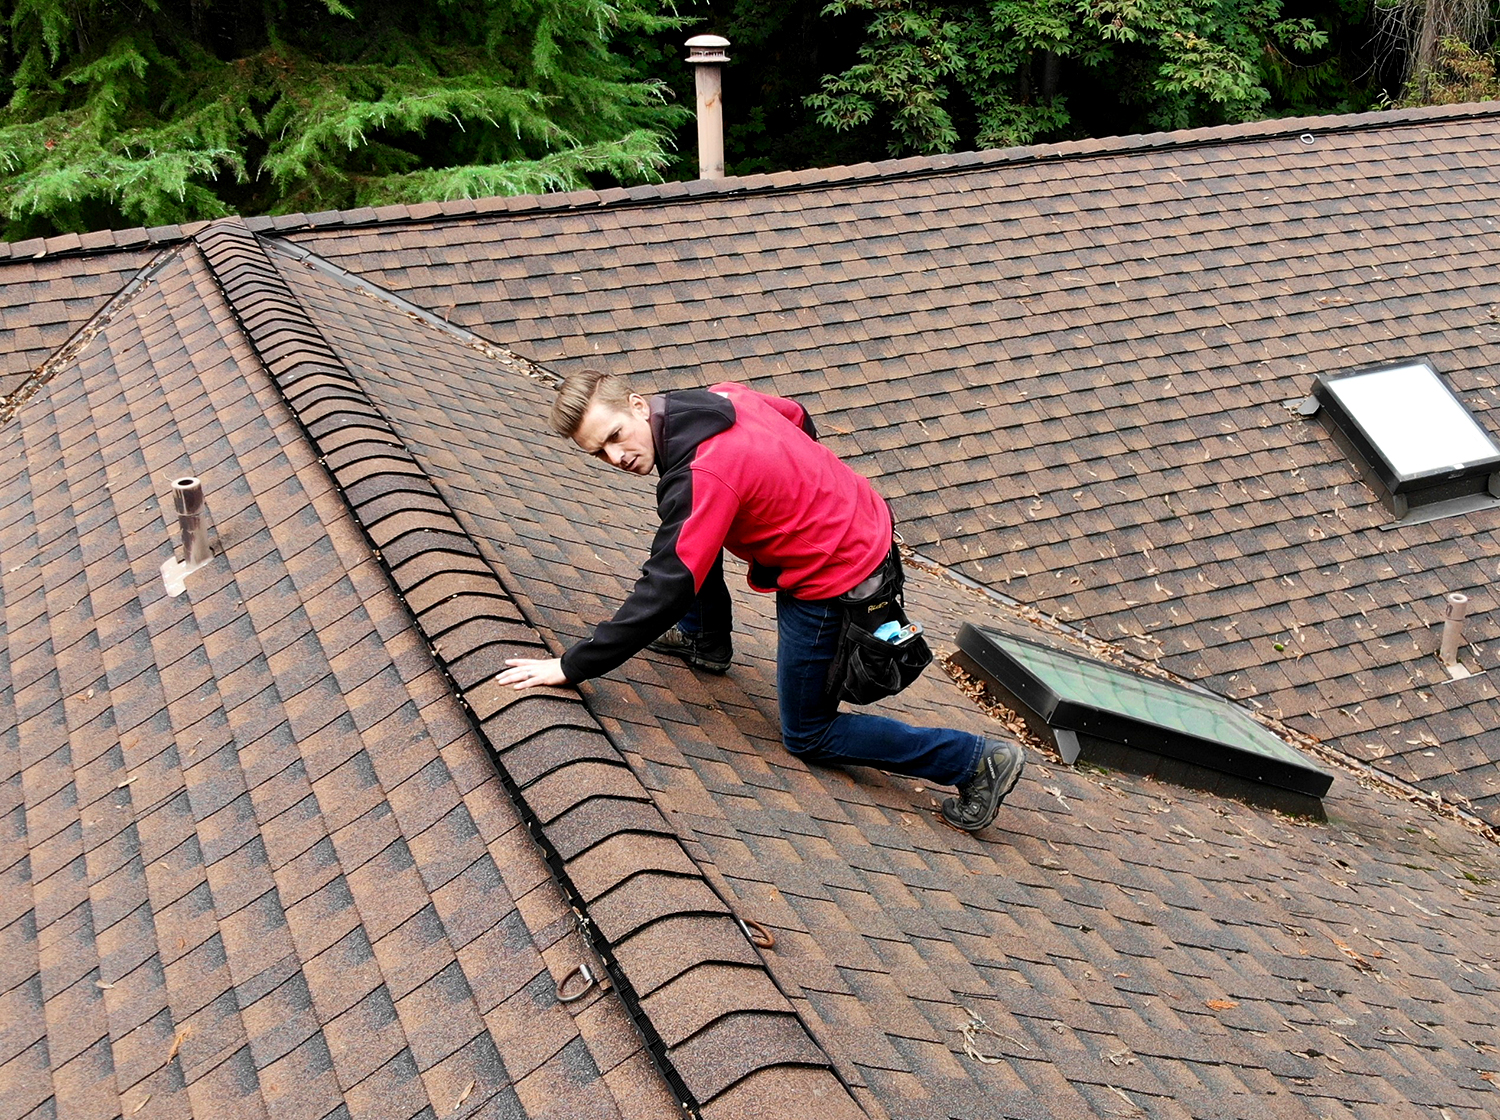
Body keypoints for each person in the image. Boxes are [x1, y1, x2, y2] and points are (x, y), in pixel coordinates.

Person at [496, 370, 1025, 831]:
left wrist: (572, 665)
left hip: (836, 575)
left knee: (809, 733)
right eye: (600, 453)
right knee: (688, 538)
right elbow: (796, 416)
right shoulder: (721, 397)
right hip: (863, 517)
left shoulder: (704, 472)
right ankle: (708, 642)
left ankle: (973, 761)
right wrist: (805, 482)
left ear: (638, 406)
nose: (617, 457)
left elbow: (665, 587)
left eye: (615, 436)